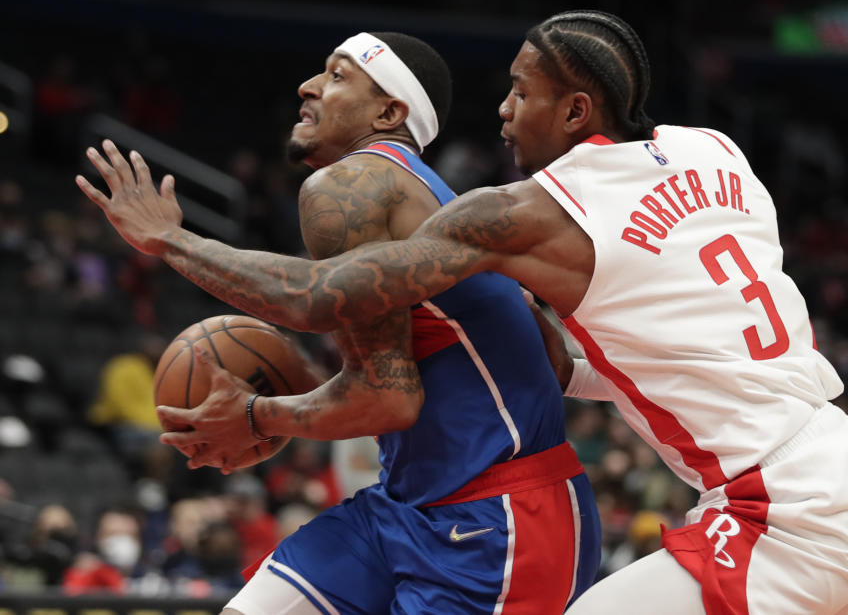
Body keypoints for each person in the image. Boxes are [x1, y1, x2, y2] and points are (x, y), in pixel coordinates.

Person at [77, 31, 600, 614]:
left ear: (389, 112)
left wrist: (254, 413)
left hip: (497, 519)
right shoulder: (420, 196)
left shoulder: (355, 184)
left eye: (337, 75)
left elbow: (386, 398)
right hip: (405, 507)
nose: (307, 86)